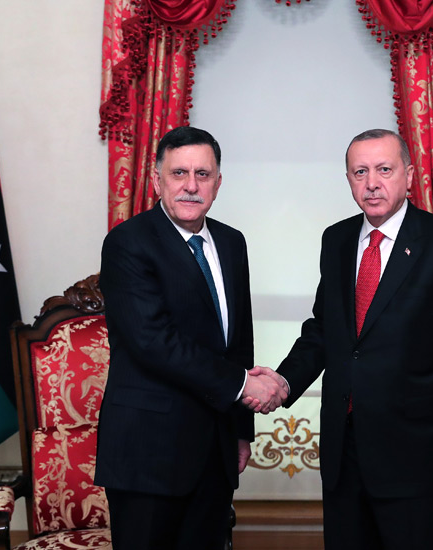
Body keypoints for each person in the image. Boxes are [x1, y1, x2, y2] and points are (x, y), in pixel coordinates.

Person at [249, 129, 433, 549]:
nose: (372, 182)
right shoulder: (337, 240)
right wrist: (284, 382)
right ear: (348, 179)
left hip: (417, 456)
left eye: (384, 169)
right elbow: (325, 328)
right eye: (360, 172)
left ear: (409, 175)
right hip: (345, 453)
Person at [95, 126, 287, 550]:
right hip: (147, 452)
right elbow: (152, 341)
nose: (191, 185)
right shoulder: (128, 243)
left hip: (214, 451)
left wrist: (241, 430)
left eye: (203, 174)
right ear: (156, 178)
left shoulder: (232, 243)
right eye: (179, 173)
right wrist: (244, 386)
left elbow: (238, 343)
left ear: (219, 182)